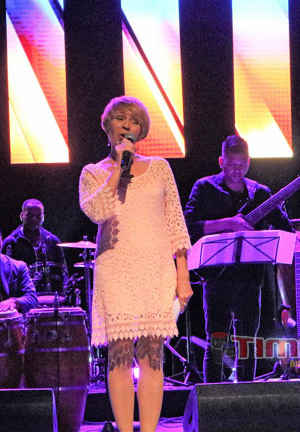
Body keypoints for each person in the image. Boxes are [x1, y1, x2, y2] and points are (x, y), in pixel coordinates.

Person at [79, 96, 192, 432]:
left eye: (135, 120)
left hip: (156, 267)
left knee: (152, 355)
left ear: (141, 130)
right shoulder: (92, 173)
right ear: (107, 125)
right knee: (120, 353)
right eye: (120, 118)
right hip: (116, 268)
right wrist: (119, 168)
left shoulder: (160, 167)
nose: (127, 124)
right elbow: (97, 211)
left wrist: (183, 276)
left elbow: (176, 223)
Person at [184, 135, 293, 383]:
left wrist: (293, 237)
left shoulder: (260, 192)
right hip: (216, 276)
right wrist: (228, 223)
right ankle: (213, 395)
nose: (237, 170)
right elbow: (189, 225)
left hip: (250, 278)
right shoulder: (204, 187)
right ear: (221, 161)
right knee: (216, 339)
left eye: (242, 164)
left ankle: (247, 395)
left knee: (248, 342)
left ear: (249, 162)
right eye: (231, 164)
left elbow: (283, 225)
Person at [2, 199, 69, 301]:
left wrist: (64, 294)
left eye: (38, 216)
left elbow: (64, 272)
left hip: (49, 297)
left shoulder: (52, 241)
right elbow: (3, 276)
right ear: (21, 216)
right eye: (30, 216)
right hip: (21, 299)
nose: (34, 220)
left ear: (43, 217)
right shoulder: (10, 243)